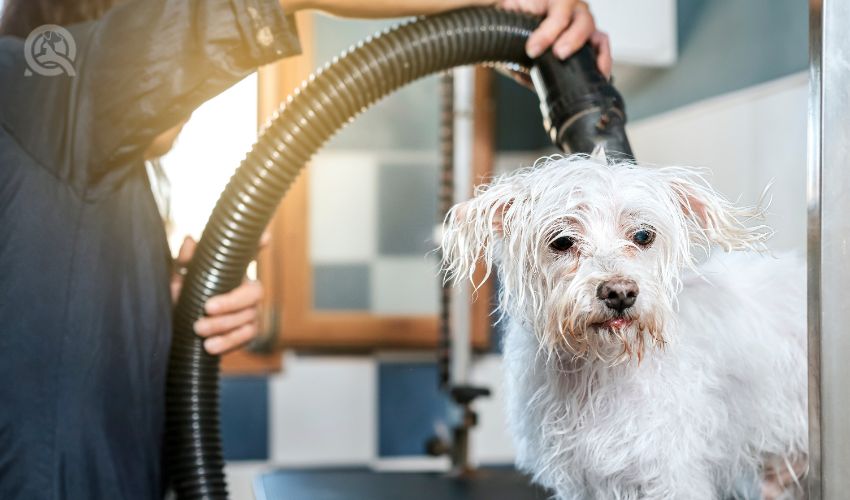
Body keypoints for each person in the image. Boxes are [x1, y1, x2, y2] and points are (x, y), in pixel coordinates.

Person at [0, 0, 611, 498]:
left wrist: (170, 306)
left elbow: (48, 325)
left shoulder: (82, 166)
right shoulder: (34, 84)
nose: (183, 95)